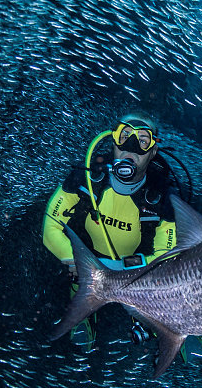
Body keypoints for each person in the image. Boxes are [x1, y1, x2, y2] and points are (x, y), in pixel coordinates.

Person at [42, 114, 183, 351]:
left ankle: (156, 320)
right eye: (124, 136)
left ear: (153, 150)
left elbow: (167, 254)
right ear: (113, 140)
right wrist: (73, 259)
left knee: (156, 288)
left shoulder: (162, 199)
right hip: (87, 262)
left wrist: (131, 270)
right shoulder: (85, 179)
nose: (131, 147)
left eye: (142, 140)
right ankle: (84, 314)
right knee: (80, 280)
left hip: (135, 271)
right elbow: (50, 227)